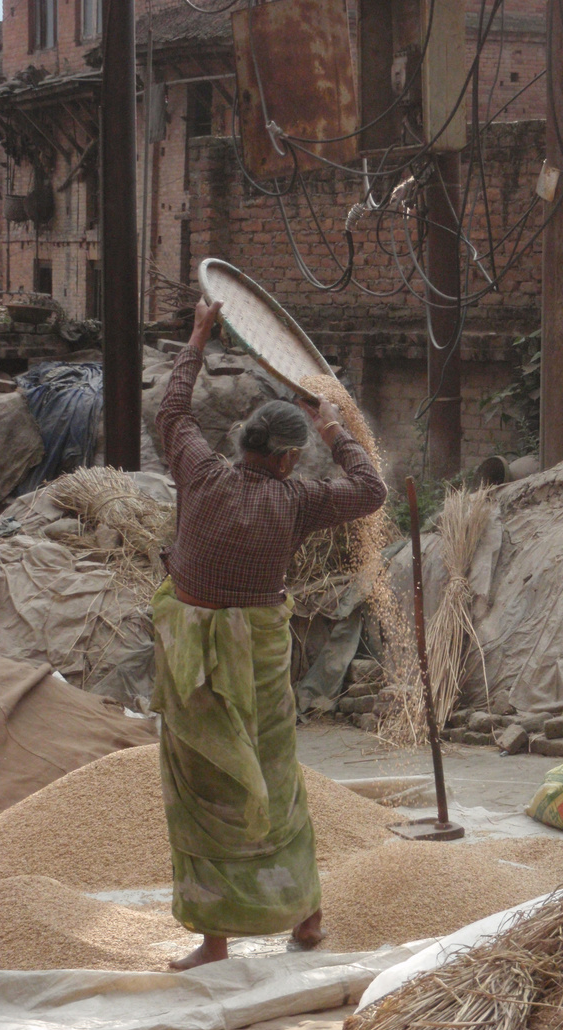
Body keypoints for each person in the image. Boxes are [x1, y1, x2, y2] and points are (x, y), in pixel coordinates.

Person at [152, 298, 387, 970]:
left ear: (246, 443)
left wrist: (197, 336)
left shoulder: (201, 471)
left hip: (191, 655)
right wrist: (336, 429)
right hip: (254, 653)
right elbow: (370, 491)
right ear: (287, 459)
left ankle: (216, 940)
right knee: (275, 780)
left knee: (202, 790)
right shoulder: (297, 500)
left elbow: (172, 414)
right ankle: (306, 919)